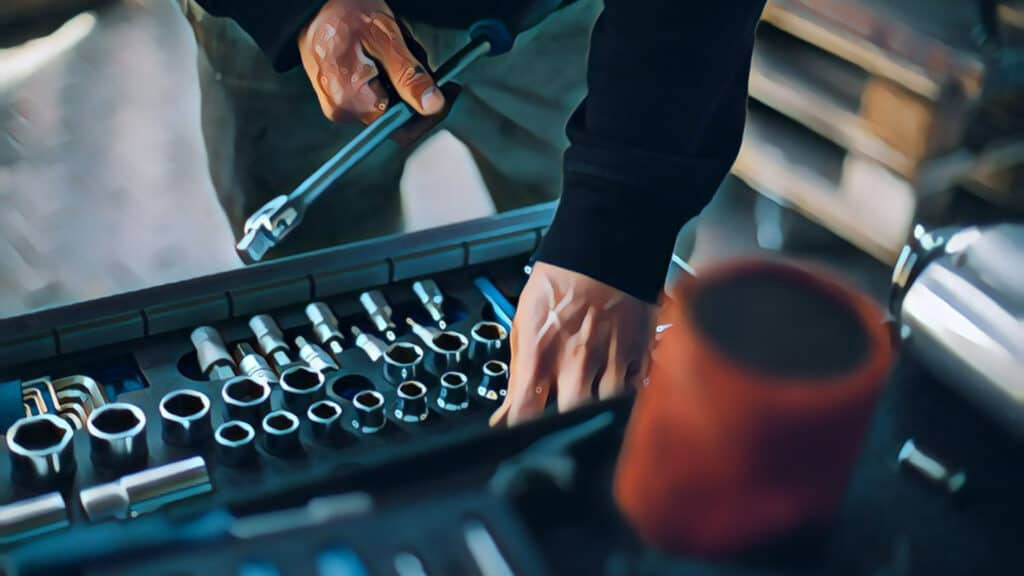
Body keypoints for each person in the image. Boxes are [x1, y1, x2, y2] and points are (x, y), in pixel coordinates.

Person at [182, 0, 766, 426]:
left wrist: (618, 220)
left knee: (605, 329)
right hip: (288, 43)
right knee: (314, 312)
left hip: (565, 27)